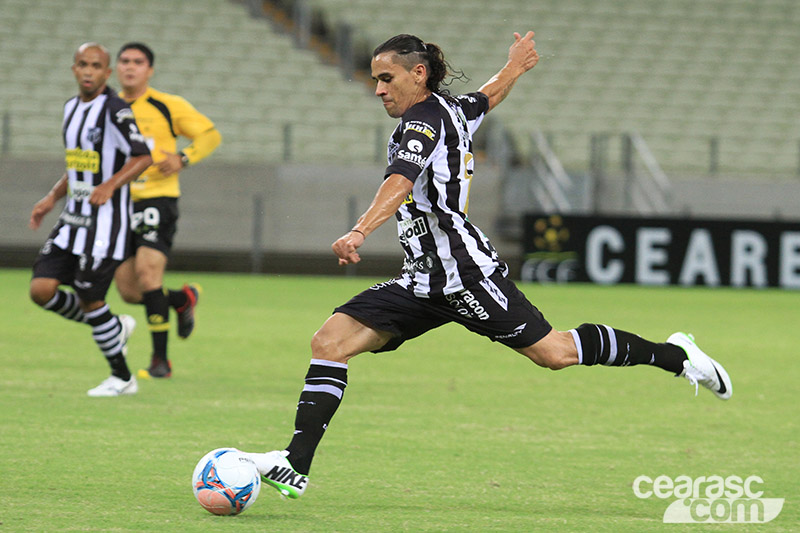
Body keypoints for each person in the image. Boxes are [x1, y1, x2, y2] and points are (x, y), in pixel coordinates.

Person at [242, 31, 732, 499]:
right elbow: (488, 97)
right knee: (330, 342)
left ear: (418, 74)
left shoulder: (421, 124)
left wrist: (359, 231)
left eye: (386, 79)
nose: (377, 89)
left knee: (555, 353)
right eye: (375, 79)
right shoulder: (453, 111)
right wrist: (514, 66)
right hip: (422, 277)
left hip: (464, 274)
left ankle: (676, 355)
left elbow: (400, 182)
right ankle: (296, 462)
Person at [29, 42, 152, 397]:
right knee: (41, 290)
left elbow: (143, 156)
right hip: (73, 219)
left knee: (88, 297)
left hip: (106, 224)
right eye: (82, 64)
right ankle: (113, 326)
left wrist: (111, 185)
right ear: (73, 69)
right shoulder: (70, 108)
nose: (88, 71)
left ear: (106, 73)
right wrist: (52, 197)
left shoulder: (116, 110)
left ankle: (122, 377)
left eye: (95, 65)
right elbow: (79, 164)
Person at [112, 42, 222, 379]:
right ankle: (181, 299)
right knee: (131, 292)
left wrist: (183, 158)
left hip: (156, 198)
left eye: (138, 62)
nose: (130, 67)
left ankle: (160, 363)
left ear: (150, 70)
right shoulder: (107, 107)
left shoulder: (165, 105)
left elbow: (209, 135)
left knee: (148, 274)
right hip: (116, 204)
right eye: (125, 61)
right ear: (116, 68)